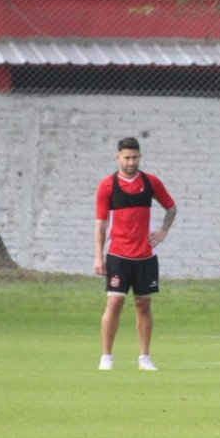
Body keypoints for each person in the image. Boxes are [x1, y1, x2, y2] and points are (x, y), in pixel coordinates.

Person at [94, 137, 177, 371]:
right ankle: (107, 357)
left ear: (140, 157)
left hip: (145, 257)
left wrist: (163, 232)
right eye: (127, 157)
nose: (131, 162)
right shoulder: (107, 186)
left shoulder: (151, 182)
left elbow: (171, 207)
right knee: (115, 303)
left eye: (135, 157)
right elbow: (100, 224)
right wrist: (98, 257)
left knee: (143, 305)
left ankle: (144, 358)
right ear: (118, 157)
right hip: (118, 256)